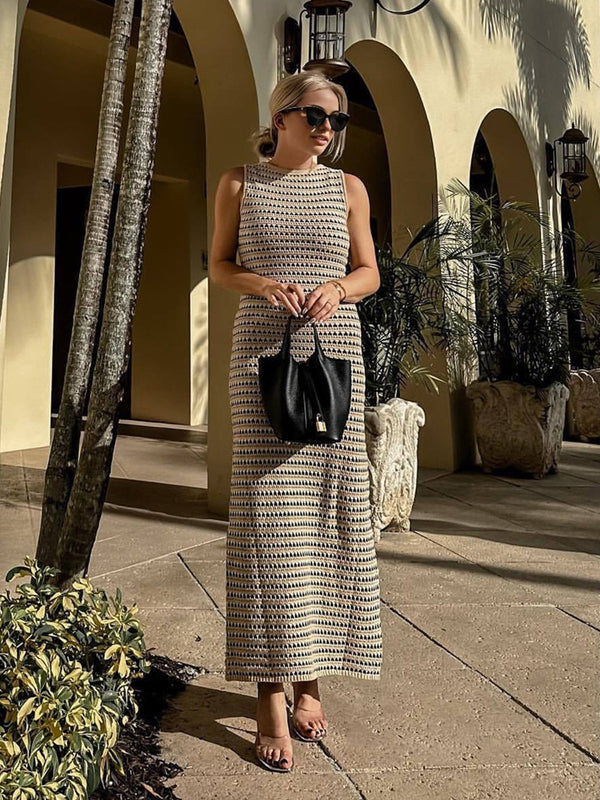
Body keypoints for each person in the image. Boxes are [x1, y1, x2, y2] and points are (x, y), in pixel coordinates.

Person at [209, 70, 383, 774]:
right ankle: (271, 697)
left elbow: (371, 271)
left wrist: (338, 289)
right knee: (267, 523)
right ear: (279, 117)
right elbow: (218, 264)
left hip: (335, 355)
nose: (326, 128)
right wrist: (264, 283)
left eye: (335, 121)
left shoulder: (349, 190)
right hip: (262, 356)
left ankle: (311, 677)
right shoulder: (239, 183)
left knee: (328, 519)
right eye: (314, 114)